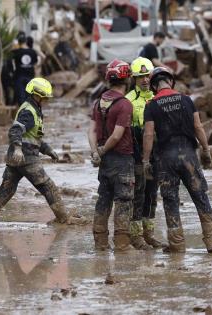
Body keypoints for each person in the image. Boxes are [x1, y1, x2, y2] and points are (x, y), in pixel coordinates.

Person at [0, 78, 88, 226]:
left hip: (17, 158)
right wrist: (17, 148)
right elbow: (15, 131)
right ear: (38, 95)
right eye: (45, 97)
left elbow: (33, 137)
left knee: (6, 191)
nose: (47, 100)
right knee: (48, 187)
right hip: (26, 157)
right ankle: (63, 218)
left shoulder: (34, 109)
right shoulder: (29, 112)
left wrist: (48, 150)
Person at [142, 67, 212, 253]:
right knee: (201, 197)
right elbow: (198, 127)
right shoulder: (186, 100)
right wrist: (206, 150)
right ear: (171, 81)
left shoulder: (151, 105)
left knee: (170, 200)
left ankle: (177, 246)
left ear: (153, 85)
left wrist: (146, 161)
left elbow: (149, 134)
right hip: (189, 157)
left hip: (165, 160)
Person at [88, 59, 134, 251]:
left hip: (104, 162)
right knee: (123, 202)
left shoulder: (99, 102)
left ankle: (100, 244)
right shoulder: (124, 104)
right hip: (122, 159)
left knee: (103, 200)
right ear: (127, 80)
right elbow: (117, 135)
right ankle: (122, 246)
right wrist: (103, 150)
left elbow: (91, 131)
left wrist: (95, 153)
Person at [125, 57, 164, 250]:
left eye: (147, 76)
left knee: (152, 193)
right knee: (138, 194)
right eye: (140, 77)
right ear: (134, 78)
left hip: (157, 153)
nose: (145, 80)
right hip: (137, 153)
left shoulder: (158, 97)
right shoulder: (128, 100)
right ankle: (135, 235)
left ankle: (149, 234)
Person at [11, 32, 38, 105]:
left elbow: (11, 62)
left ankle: (23, 113)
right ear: (26, 42)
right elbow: (35, 64)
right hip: (30, 76)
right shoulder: (33, 52)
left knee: (21, 98)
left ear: (19, 43)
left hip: (19, 77)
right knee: (29, 97)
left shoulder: (15, 52)